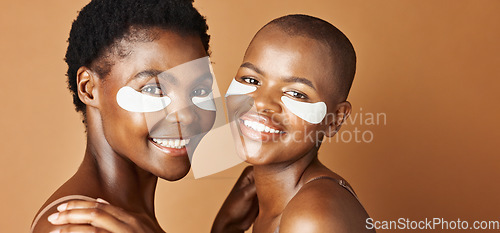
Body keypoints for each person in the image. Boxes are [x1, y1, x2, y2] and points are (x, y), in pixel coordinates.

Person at [31, 0, 257, 232]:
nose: (187, 116)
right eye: (153, 89)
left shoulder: (125, 218)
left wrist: (226, 229)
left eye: (199, 91)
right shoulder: (83, 228)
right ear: (88, 88)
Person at [223, 14, 374, 232]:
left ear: (334, 119)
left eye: (296, 93)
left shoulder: (312, 218)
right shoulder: (281, 206)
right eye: (251, 80)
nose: (263, 101)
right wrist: (226, 227)